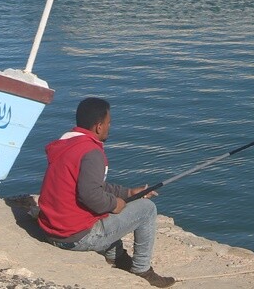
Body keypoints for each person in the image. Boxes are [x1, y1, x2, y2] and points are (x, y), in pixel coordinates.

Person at [37, 98, 175, 287]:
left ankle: (116, 257)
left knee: (108, 206)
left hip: (51, 231)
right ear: (99, 126)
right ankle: (142, 270)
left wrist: (128, 192)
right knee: (147, 209)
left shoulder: (68, 144)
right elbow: (91, 195)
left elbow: (92, 185)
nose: (110, 127)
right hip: (74, 238)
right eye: (109, 123)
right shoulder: (92, 152)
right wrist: (116, 204)